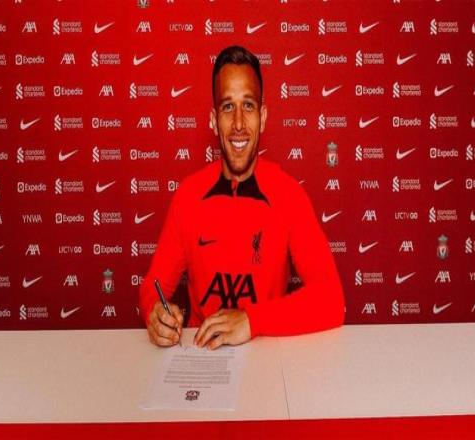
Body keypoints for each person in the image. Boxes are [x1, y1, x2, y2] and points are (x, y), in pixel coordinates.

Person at [140, 46, 345, 350]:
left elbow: (331, 300)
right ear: (213, 120)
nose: (238, 123)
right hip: (202, 358)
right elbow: (153, 286)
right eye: (227, 107)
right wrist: (154, 312)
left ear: (263, 117)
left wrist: (252, 320)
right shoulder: (189, 195)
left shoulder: (288, 194)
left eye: (248, 105)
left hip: (267, 356)